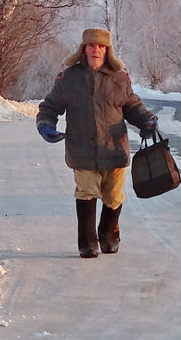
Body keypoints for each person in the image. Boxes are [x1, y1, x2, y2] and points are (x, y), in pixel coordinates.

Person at [36, 27, 158, 258]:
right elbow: (50, 106)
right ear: (84, 49)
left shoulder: (118, 78)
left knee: (113, 196)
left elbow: (132, 107)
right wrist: (45, 124)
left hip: (113, 150)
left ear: (107, 50)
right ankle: (87, 242)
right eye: (91, 46)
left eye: (100, 46)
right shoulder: (69, 78)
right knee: (87, 192)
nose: (95, 50)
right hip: (81, 148)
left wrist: (147, 120)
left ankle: (108, 233)